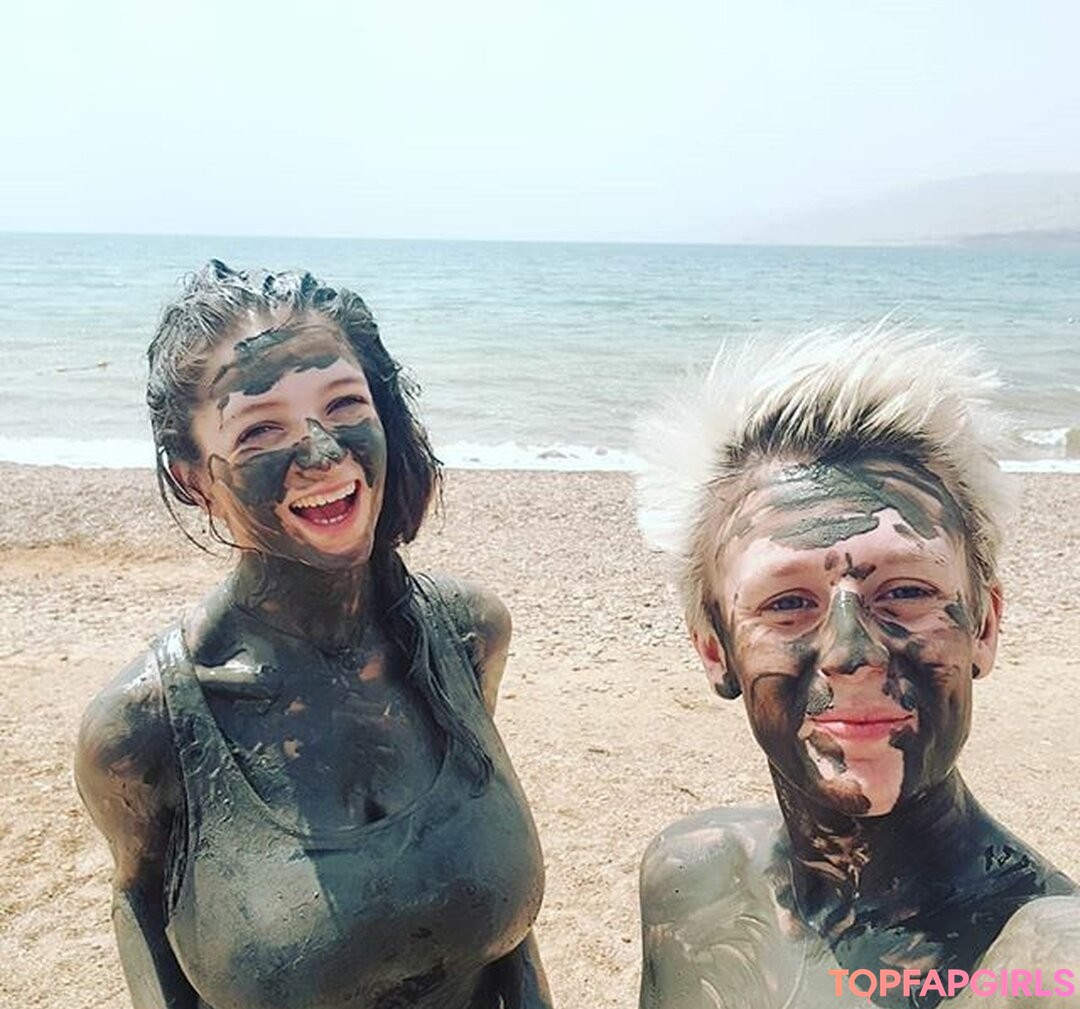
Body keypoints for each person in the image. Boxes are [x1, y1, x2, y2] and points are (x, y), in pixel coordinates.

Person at [74, 261, 551, 1009]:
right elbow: (141, 907)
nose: (324, 452)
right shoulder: (144, 731)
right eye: (262, 429)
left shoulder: (464, 637)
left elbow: (504, 933)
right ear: (195, 478)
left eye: (344, 404)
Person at [634, 327, 1079, 1009]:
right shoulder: (694, 884)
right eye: (788, 603)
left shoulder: (1049, 969)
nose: (853, 654)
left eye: (906, 591)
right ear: (715, 648)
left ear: (983, 627)